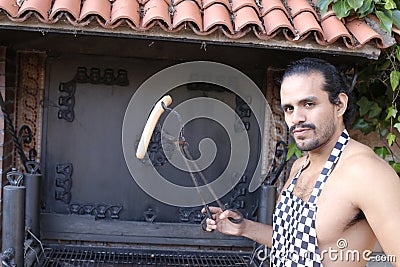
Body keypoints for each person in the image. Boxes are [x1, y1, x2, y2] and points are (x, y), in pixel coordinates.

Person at [204, 58, 400, 266]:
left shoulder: (366, 172)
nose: (296, 118)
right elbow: (294, 244)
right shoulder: (299, 166)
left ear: (339, 105)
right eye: (289, 108)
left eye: (308, 104)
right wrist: (245, 228)